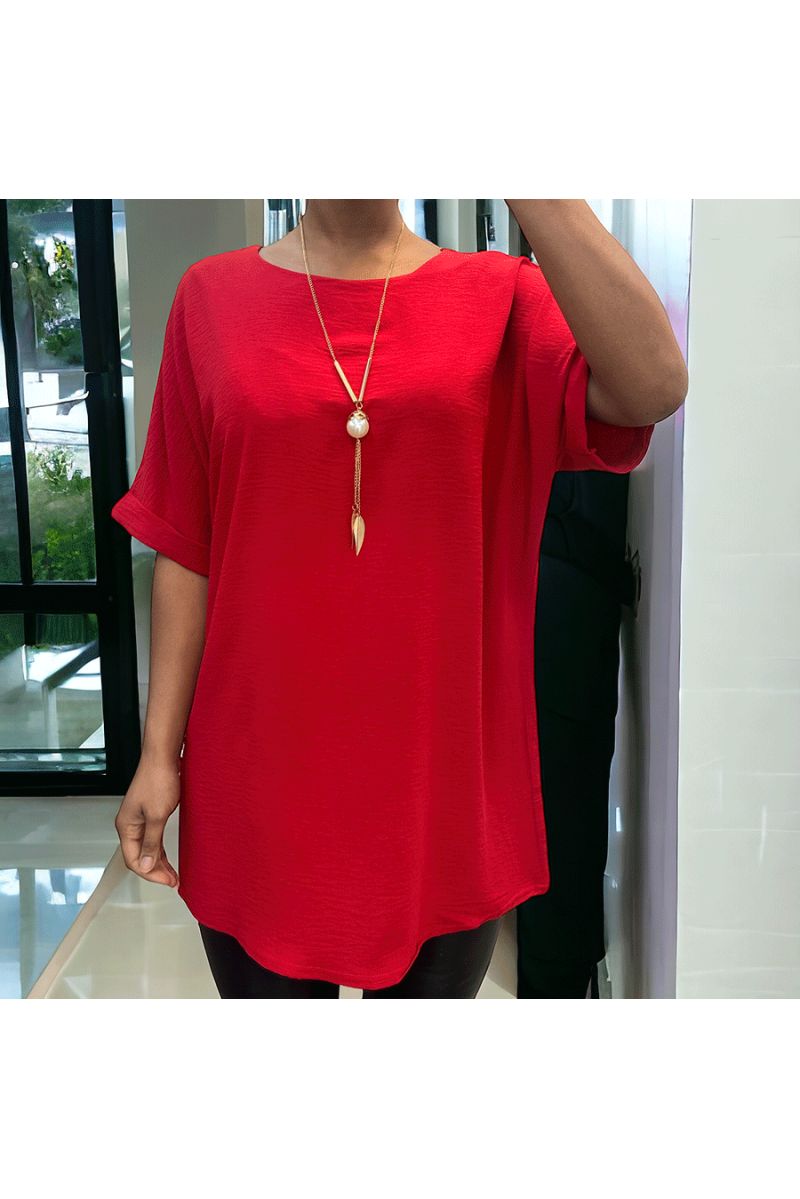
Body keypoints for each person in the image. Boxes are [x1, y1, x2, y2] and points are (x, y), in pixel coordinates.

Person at [110, 199, 686, 998]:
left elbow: (652, 384)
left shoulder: (503, 299)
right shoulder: (210, 299)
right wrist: (157, 752)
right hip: (259, 777)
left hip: (439, 784)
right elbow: (187, 543)